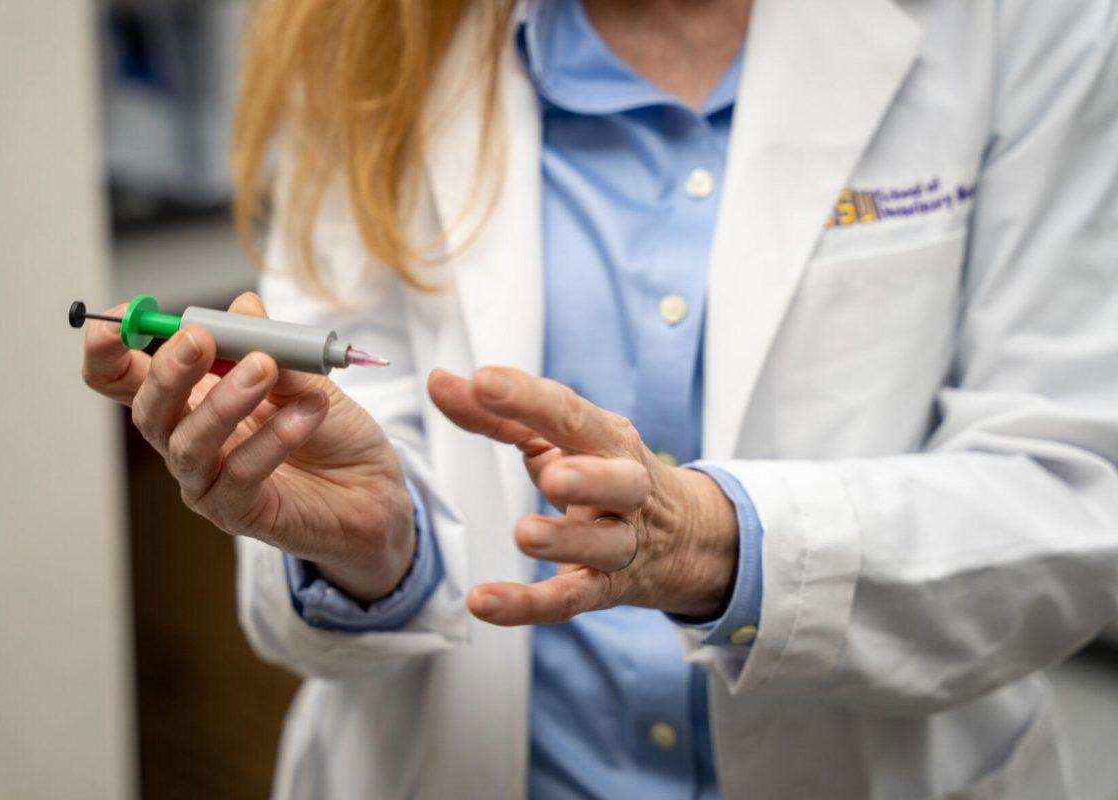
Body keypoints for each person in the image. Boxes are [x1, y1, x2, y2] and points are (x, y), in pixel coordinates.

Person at [81, 0, 1118, 797]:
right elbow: (363, 421)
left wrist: (722, 542)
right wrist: (368, 545)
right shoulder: (369, 29)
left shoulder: (1021, 26)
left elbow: (1073, 488)